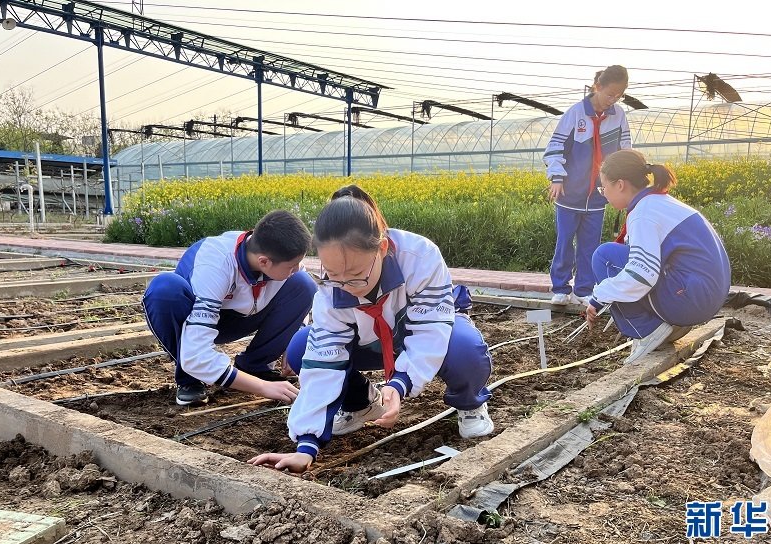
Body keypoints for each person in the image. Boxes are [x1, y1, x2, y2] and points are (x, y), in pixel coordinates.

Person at [249, 185, 493, 473]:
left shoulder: (420, 258)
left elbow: (431, 328)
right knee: (303, 346)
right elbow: (324, 362)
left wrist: (400, 383)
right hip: (370, 343)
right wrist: (306, 445)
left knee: (463, 346)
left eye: (355, 275)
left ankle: (469, 402)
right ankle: (360, 404)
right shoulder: (331, 290)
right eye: (333, 274)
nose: (345, 286)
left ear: (382, 248)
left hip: (420, 330)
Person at [142, 210, 317, 406]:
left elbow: (301, 290)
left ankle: (254, 366)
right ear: (264, 262)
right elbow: (196, 353)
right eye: (292, 265)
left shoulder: (272, 253)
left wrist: (293, 340)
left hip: (243, 316)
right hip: (193, 320)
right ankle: (189, 380)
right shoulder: (215, 264)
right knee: (164, 289)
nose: (297, 268)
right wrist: (262, 388)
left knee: (304, 284)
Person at [582, 149, 731, 365]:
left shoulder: (644, 213)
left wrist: (598, 296)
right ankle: (673, 326)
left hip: (693, 300)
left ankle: (646, 330)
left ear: (620, 184)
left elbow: (641, 274)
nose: (603, 193)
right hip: (704, 296)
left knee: (605, 257)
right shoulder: (659, 203)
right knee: (616, 256)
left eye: (603, 187)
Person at [544, 65, 632, 307]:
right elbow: (554, 148)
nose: (613, 100)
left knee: (589, 246)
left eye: (619, 96)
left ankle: (584, 289)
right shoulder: (575, 114)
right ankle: (561, 288)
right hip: (569, 195)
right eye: (610, 94)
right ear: (598, 87)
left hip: (598, 196)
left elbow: (625, 149)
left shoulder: (619, 116)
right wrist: (557, 178)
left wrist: (627, 181)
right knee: (564, 243)